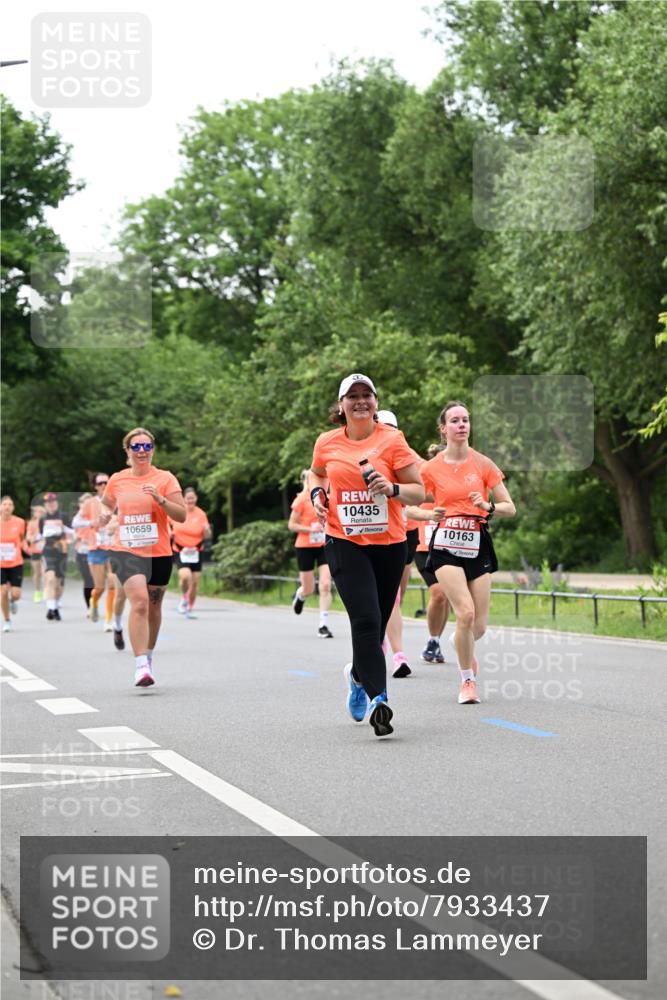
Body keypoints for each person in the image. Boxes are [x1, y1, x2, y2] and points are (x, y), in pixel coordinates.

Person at [309, 374, 424, 737]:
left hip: (390, 543)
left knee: (376, 624)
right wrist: (317, 496)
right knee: (366, 619)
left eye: (367, 395)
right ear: (341, 406)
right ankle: (379, 700)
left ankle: (358, 676)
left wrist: (391, 488)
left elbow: (418, 493)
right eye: (352, 396)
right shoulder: (327, 442)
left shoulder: (393, 440)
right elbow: (316, 475)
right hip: (344, 541)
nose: (360, 401)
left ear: (375, 402)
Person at [421, 401, 516, 705]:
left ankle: (461, 642)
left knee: (479, 626)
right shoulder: (431, 467)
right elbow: (410, 499)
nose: (462, 424)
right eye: (455, 420)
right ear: (444, 428)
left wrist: (487, 506)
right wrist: (424, 515)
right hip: (446, 544)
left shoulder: (483, 463)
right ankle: (467, 682)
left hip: (477, 543)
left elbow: (509, 507)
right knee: (466, 612)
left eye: (465, 420)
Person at [99, 427, 185, 688]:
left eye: (147, 446)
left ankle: (147, 655)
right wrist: (105, 515)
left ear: (153, 450)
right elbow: (106, 503)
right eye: (136, 446)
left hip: (158, 552)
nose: (142, 451)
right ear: (127, 451)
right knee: (139, 601)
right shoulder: (118, 479)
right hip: (125, 550)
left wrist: (161, 500)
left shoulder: (166, 479)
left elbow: (181, 515)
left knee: (154, 607)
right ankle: (140, 666)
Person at [376, 410, 420, 678]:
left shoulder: (408, 456)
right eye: (385, 426)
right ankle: (398, 655)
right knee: (391, 599)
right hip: (378, 533)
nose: (389, 431)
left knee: (397, 597)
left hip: (407, 533)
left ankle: (382, 637)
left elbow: (426, 488)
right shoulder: (368, 456)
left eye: (393, 427)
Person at [406, 444, 450, 664]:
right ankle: (433, 640)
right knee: (439, 593)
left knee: (448, 596)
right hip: (424, 545)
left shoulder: (456, 483)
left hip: (449, 544)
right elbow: (409, 507)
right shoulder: (422, 476)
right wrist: (430, 514)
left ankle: (435, 641)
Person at [288, 470, 333, 638]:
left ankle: (323, 624)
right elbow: (291, 525)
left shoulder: (329, 498)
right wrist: (309, 529)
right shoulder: (301, 500)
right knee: (309, 589)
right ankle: (300, 595)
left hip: (324, 545)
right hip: (305, 546)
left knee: (325, 585)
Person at [170, 486, 211, 619]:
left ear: (196, 499)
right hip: (180, 549)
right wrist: (169, 532)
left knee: (195, 583)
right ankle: (183, 597)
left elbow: (208, 535)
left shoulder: (201, 514)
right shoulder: (178, 512)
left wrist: (206, 530)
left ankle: (189, 607)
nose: (190, 501)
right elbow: (166, 523)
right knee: (185, 577)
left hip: (196, 551)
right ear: (183, 499)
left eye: (192, 498)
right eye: (188, 498)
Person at [39, 492, 74, 621]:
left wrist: (63, 527)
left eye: (53, 502)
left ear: (56, 503)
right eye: (48, 502)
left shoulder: (63, 516)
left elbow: (73, 532)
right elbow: (39, 535)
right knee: (50, 578)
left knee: (59, 583)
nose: (51, 504)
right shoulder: (42, 519)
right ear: (45, 505)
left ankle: (56, 603)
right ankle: (51, 609)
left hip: (61, 550)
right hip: (48, 550)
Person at [0, 496, 26, 632]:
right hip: (0, 564)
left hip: (15, 562)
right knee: (2, 591)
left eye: (10, 504)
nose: (7, 507)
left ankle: (13, 601)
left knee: (15, 594)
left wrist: (26, 546)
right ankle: (7, 620)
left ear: (13, 508)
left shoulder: (20, 522)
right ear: (0, 507)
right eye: (4, 504)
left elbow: (21, 540)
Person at [73, 493, 95, 615]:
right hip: (82, 552)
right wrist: (77, 537)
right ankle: (90, 607)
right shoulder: (78, 518)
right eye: (84, 503)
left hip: (96, 550)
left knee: (97, 581)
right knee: (88, 580)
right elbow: (72, 534)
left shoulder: (96, 516)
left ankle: (94, 602)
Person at [25, 504, 45, 601]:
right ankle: (37, 591)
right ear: (34, 514)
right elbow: (28, 537)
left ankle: (47, 590)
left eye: (42, 512)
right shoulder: (31, 523)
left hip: (46, 551)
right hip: (35, 550)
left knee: (45, 571)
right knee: (37, 573)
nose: (40, 514)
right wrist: (33, 539)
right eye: (38, 512)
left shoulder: (47, 523)